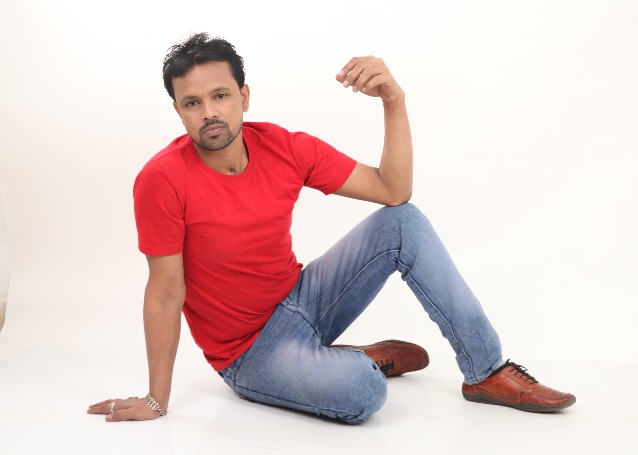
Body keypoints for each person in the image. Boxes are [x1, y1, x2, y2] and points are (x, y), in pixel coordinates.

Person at [88, 33, 575, 423]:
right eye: (192, 103)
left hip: (303, 299)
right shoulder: (162, 179)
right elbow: (165, 290)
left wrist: (393, 100)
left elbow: (393, 190)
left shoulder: (284, 147)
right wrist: (156, 399)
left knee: (402, 222)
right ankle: (348, 363)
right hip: (250, 353)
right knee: (364, 392)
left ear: (244, 96)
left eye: (220, 95)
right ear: (178, 110)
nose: (210, 112)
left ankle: (486, 371)